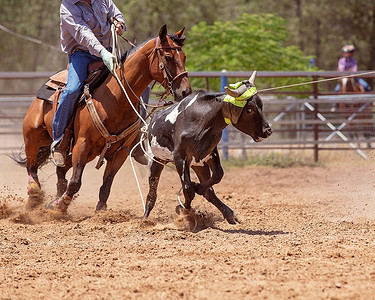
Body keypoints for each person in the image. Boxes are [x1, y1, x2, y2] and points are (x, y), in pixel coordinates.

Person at [51, 0, 126, 167]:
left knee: (137, 82)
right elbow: (82, 33)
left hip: (108, 50)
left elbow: (117, 14)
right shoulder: (68, 7)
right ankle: (59, 142)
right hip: (82, 54)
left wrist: (120, 24)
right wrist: (102, 52)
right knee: (71, 91)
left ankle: (137, 136)